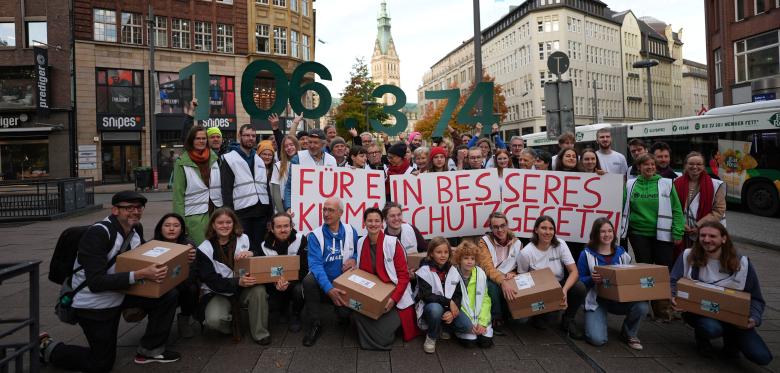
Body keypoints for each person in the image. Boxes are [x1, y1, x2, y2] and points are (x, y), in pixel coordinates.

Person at [39, 191, 181, 371]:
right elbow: (96, 282)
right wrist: (140, 274)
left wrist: (181, 252)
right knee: (101, 364)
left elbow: (146, 255)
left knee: (168, 295)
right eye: (128, 208)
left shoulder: (135, 229)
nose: (135, 212)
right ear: (115, 210)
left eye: (138, 208)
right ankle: (48, 347)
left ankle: (150, 349)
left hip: (120, 293)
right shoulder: (98, 234)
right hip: (94, 304)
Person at [670, 222, 772, 365]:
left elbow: (756, 299)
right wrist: (673, 296)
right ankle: (703, 339)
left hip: (734, 319)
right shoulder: (688, 255)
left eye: (712, 236)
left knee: (762, 357)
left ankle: (731, 340)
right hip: (700, 313)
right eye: (703, 235)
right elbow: (673, 281)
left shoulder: (742, 263)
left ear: (724, 238)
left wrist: (754, 318)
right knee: (710, 328)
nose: (706, 240)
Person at [620, 153, 685, 321]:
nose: (650, 167)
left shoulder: (666, 184)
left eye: (652, 165)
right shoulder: (630, 184)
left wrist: (678, 232)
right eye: (646, 165)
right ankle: (643, 305)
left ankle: (662, 310)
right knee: (645, 271)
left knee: (663, 271)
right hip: (639, 234)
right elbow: (622, 207)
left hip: (663, 234)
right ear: (639, 168)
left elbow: (677, 209)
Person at [195, 208, 271, 344]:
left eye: (228, 222)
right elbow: (211, 280)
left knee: (259, 291)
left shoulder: (244, 238)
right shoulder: (204, 249)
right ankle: (232, 325)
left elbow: (261, 253)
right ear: (213, 225)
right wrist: (237, 282)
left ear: (234, 223)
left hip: (243, 288)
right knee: (214, 321)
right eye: (220, 223)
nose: (225, 226)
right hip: (217, 292)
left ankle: (260, 333)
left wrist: (252, 253)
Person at [577, 218, 649, 350]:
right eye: (602, 231)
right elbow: (579, 281)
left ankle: (629, 333)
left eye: (610, 231)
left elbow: (631, 277)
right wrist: (591, 279)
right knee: (597, 340)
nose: (607, 235)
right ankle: (594, 322)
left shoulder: (623, 254)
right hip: (597, 300)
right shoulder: (586, 254)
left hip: (619, 300)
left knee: (642, 306)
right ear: (595, 234)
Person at [354, 208, 417, 349]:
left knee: (383, 337)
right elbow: (362, 272)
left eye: (377, 221)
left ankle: (378, 334)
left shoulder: (392, 243)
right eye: (369, 220)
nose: (373, 224)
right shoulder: (360, 242)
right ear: (364, 223)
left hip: (395, 296)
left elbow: (403, 276)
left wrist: (393, 299)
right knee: (355, 308)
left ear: (382, 223)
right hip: (373, 293)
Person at [301, 197, 359, 346]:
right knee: (309, 281)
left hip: (344, 282)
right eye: (324, 209)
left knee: (345, 316)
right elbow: (315, 266)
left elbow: (360, 251)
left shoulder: (351, 230)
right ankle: (315, 324)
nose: (326, 213)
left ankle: (341, 314)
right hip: (323, 283)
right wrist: (329, 289)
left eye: (330, 210)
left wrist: (354, 258)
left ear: (340, 213)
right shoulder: (315, 236)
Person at [517, 215, 585, 339]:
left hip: (559, 285)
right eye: (543, 228)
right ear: (536, 230)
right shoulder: (526, 252)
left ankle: (568, 320)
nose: (548, 232)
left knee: (579, 287)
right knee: (543, 323)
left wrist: (563, 291)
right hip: (538, 291)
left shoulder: (560, 244)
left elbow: (574, 271)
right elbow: (521, 278)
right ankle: (538, 315)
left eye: (551, 229)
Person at [220, 124, 272, 253]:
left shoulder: (258, 158)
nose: (251, 138)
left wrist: (269, 214)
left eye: (253, 136)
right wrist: (230, 215)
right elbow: (226, 190)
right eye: (247, 135)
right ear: (239, 137)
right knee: (243, 248)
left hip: (261, 212)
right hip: (242, 213)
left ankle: (259, 272)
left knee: (260, 248)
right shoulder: (230, 159)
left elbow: (265, 187)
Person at [416, 237, 472, 354]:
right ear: (431, 253)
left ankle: (444, 327)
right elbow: (426, 295)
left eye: (446, 252)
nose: (443, 255)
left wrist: (453, 311)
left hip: (448, 308)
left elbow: (458, 294)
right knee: (435, 309)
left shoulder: (453, 269)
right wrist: (449, 303)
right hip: (431, 307)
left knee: (467, 326)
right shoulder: (425, 270)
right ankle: (431, 336)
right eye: (439, 252)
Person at [153, 213, 199, 338]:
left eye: (176, 225)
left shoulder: (188, 246)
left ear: (182, 229)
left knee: (192, 289)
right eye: (167, 225)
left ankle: (184, 320)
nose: (171, 229)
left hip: (181, 285)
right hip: (158, 284)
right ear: (160, 228)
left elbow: (193, 273)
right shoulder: (152, 245)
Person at [172, 126, 221, 245]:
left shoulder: (215, 158)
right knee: (200, 252)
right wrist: (180, 223)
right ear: (191, 140)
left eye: (204, 138)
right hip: (194, 217)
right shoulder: (181, 162)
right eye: (197, 138)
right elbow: (178, 196)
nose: (201, 141)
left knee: (216, 252)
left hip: (216, 213)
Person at [260, 212, 308, 332]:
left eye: (286, 226)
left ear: (291, 227)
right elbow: (264, 272)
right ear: (272, 228)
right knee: (271, 303)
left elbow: (304, 268)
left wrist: (288, 283)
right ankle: (282, 309)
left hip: (295, 282)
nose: (283, 230)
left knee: (300, 289)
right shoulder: (264, 246)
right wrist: (275, 284)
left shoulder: (301, 239)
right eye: (279, 227)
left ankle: (296, 315)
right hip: (275, 285)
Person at [476, 212, 523, 335]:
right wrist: (503, 281)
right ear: (491, 229)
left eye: (502, 225)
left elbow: (521, 266)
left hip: (509, 277)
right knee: (491, 285)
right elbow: (488, 268)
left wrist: (513, 272)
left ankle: (515, 312)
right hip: (491, 277)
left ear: (507, 225)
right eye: (496, 227)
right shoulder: (484, 242)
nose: (500, 229)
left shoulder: (518, 243)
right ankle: (496, 318)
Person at [673, 151, 727, 256]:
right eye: (691, 164)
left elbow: (719, 210)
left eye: (699, 164)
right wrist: (681, 224)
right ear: (685, 165)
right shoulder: (675, 183)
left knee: (703, 261)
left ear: (703, 166)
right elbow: (671, 207)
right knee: (683, 261)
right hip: (682, 231)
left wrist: (699, 226)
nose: (695, 167)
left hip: (706, 232)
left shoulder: (715, 184)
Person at [283, 128, 337, 211]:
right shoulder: (297, 159)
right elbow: (289, 187)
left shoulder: (332, 160)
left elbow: (336, 185)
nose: (312, 146)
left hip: (325, 207)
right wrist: (288, 207)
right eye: (310, 142)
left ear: (323, 144)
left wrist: (353, 170)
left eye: (316, 143)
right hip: (304, 207)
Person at [453, 241, 494, 348]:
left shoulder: (480, 274)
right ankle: (460, 329)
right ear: (459, 259)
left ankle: (480, 327)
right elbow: (455, 302)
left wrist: (482, 323)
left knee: (485, 343)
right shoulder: (453, 274)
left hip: (479, 316)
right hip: (464, 315)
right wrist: (471, 324)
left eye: (472, 258)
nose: (469, 261)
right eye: (466, 258)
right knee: (470, 344)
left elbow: (485, 299)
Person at [271, 135, 300, 214]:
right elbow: (275, 191)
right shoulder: (278, 165)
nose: (289, 148)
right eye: (286, 146)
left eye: (291, 145)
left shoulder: (305, 163)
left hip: (301, 204)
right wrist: (282, 213)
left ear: (296, 145)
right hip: (283, 206)